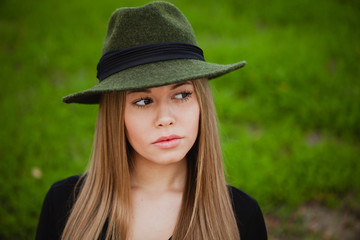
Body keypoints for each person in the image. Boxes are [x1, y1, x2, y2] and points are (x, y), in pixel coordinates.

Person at [36, 1, 267, 240]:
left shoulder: (241, 216)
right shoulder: (64, 205)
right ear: (116, 116)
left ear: (202, 103)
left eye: (181, 95)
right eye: (143, 101)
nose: (165, 119)